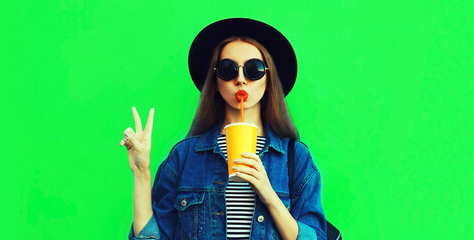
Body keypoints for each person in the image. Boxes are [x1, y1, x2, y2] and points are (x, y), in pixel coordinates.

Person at [121, 18, 327, 240]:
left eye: (253, 69)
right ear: (216, 82)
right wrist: (141, 174)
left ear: (268, 80)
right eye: (228, 69)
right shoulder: (184, 157)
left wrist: (269, 195)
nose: (240, 80)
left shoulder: (296, 159)